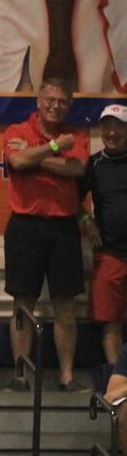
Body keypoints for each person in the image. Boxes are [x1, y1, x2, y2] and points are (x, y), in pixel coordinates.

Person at [4, 77, 90, 391]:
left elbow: (76, 170)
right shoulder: (17, 131)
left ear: (69, 105)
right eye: (50, 99)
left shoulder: (77, 135)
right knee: (22, 303)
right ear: (39, 100)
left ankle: (66, 377)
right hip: (25, 226)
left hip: (64, 227)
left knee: (64, 304)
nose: (55, 105)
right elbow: (17, 160)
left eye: (62, 101)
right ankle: (20, 375)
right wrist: (55, 148)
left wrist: (36, 156)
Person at [84, 103, 127, 366]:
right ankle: (117, 382)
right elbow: (70, 199)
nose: (112, 132)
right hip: (110, 254)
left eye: (119, 127)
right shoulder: (94, 164)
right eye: (107, 126)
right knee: (110, 321)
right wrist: (84, 219)